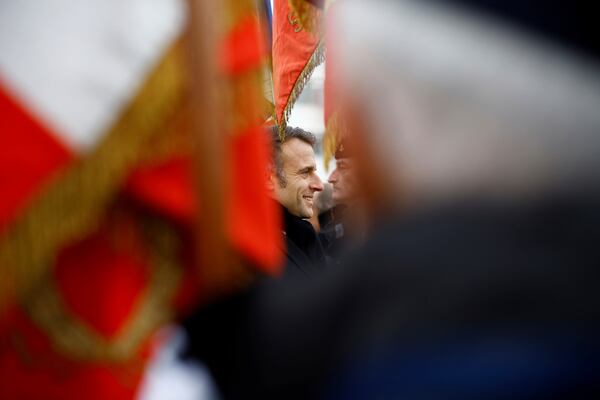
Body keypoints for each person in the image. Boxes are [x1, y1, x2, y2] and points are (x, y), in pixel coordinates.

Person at [267, 125, 326, 277]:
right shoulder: (255, 253)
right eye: (305, 172)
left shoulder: (300, 236)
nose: (319, 185)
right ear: (268, 178)